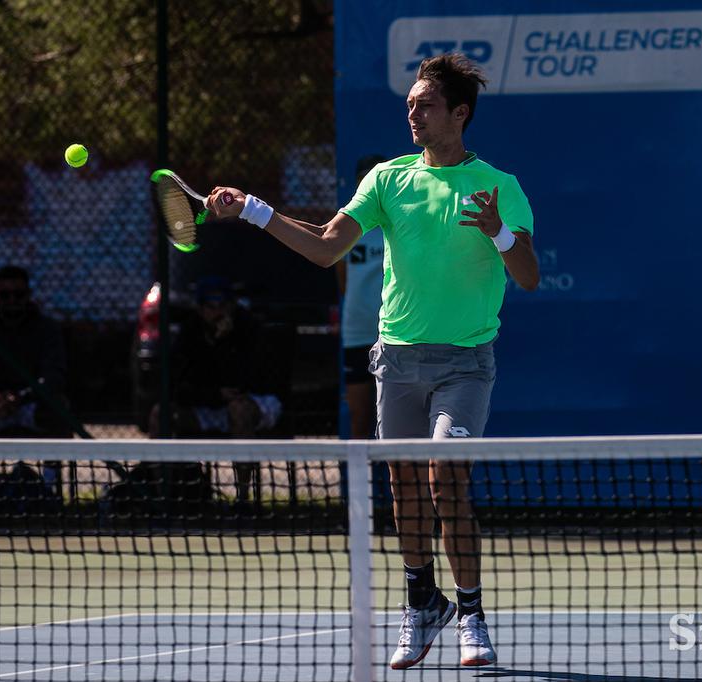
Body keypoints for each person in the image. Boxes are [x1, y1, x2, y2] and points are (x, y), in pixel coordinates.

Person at [204, 53, 539, 668]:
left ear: (458, 113)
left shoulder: (500, 186)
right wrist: (254, 209)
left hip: (465, 364)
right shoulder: (388, 179)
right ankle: (421, 602)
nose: (412, 111)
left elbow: (529, 276)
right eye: (409, 103)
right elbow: (326, 248)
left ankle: (471, 614)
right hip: (397, 361)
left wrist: (497, 232)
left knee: (445, 474)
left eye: (425, 103)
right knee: (404, 483)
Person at [148, 275, 282, 503]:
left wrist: (224, 345)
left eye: (224, 305)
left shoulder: (249, 328)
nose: (218, 312)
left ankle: (243, 499)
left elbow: (251, 378)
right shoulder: (189, 333)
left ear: (232, 305)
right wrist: (214, 394)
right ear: (200, 308)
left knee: (238, 410)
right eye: (211, 306)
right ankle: (162, 497)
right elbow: (179, 387)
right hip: (207, 404)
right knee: (160, 414)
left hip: (254, 402)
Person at [0, 265, 68, 486]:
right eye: (4, 295)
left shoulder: (46, 328)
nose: (12, 300)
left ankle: (49, 487)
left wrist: (22, 397)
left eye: (18, 294)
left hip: (33, 404)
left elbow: (53, 376)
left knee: (59, 406)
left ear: (28, 295)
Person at [335, 155, 387, 440]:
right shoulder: (347, 226)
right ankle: (361, 485)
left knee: (395, 422)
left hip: (396, 336)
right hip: (357, 334)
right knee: (360, 418)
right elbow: (342, 280)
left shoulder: (399, 225)